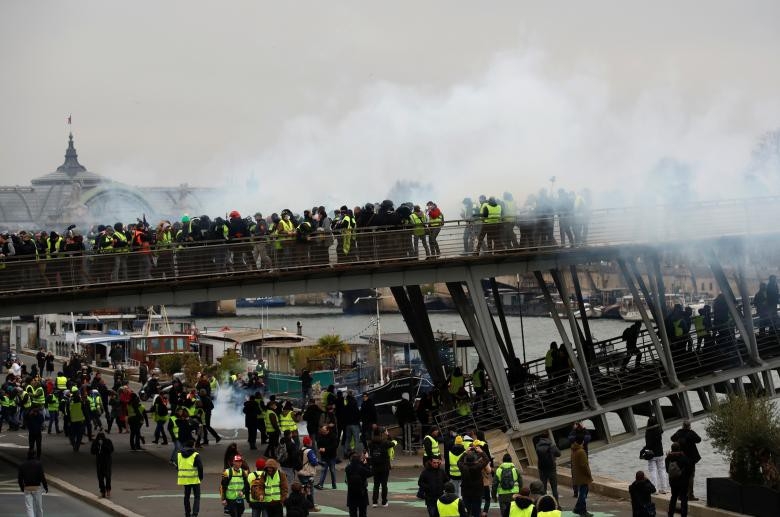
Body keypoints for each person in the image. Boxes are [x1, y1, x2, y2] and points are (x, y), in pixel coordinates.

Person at [670, 421, 701, 501]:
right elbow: (699, 440)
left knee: (681, 476)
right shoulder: (691, 433)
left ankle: (681, 495)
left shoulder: (679, 432)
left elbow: (672, 438)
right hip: (691, 459)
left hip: (681, 458)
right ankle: (690, 495)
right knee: (690, 477)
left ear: (683, 426)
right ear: (689, 426)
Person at [458, 444, 490, 517]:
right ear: (474, 459)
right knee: (476, 511)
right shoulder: (478, 466)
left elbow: (458, 461)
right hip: (477, 492)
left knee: (466, 511)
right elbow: (487, 460)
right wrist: (481, 452)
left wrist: (465, 452)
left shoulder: (463, 467)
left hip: (466, 492)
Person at [369, 428, 397, 507]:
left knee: (376, 485)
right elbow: (393, 443)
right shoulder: (385, 443)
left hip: (375, 467)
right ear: (381, 434)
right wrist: (388, 434)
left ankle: (374, 502)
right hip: (384, 466)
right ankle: (384, 502)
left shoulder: (371, 443)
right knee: (384, 485)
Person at [665, 442, 692, 517]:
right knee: (684, 499)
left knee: (673, 497)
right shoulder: (683, 457)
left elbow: (667, 470)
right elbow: (689, 469)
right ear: (679, 448)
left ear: (671, 449)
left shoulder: (668, 458)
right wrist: (686, 477)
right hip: (683, 482)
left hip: (673, 481)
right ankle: (683, 515)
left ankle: (670, 514)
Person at [534, 433, 561, 504]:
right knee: (554, 489)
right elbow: (559, 454)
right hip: (551, 469)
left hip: (542, 469)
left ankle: (544, 505)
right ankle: (557, 505)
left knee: (543, 489)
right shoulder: (551, 445)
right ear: (548, 437)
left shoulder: (537, 445)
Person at [644, 417, 668, 494]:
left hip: (652, 454)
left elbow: (648, 445)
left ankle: (654, 489)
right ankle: (664, 488)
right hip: (660, 453)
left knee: (653, 471)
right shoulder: (659, 430)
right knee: (662, 470)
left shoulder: (648, 432)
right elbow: (661, 428)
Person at [571, 434, 593, 517]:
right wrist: (589, 475)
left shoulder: (573, 450)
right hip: (583, 476)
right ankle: (582, 511)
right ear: (582, 441)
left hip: (577, 475)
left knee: (582, 493)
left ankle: (577, 508)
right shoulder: (581, 451)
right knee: (583, 494)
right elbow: (584, 465)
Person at [345, 451, 372, 517]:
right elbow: (370, 473)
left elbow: (346, 480)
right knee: (362, 512)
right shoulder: (362, 468)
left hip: (351, 492)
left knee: (352, 512)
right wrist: (365, 464)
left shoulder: (348, 468)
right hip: (362, 491)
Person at [91, 431, 114, 498]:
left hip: (107, 462)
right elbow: (92, 451)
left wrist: (103, 445)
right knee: (100, 478)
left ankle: (108, 490)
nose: (100, 440)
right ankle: (102, 491)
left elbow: (111, 450)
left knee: (108, 477)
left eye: (102, 438)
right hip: (99, 462)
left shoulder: (108, 441)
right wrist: (98, 447)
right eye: (99, 439)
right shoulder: (95, 442)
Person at [314, 425, 338, 490]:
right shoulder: (321, 436)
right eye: (322, 431)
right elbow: (318, 443)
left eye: (324, 431)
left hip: (331, 456)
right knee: (323, 470)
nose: (322, 432)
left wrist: (325, 449)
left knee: (332, 471)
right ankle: (320, 484)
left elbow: (334, 446)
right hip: (324, 456)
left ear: (328, 430)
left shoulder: (333, 436)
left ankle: (334, 485)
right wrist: (319, 449)